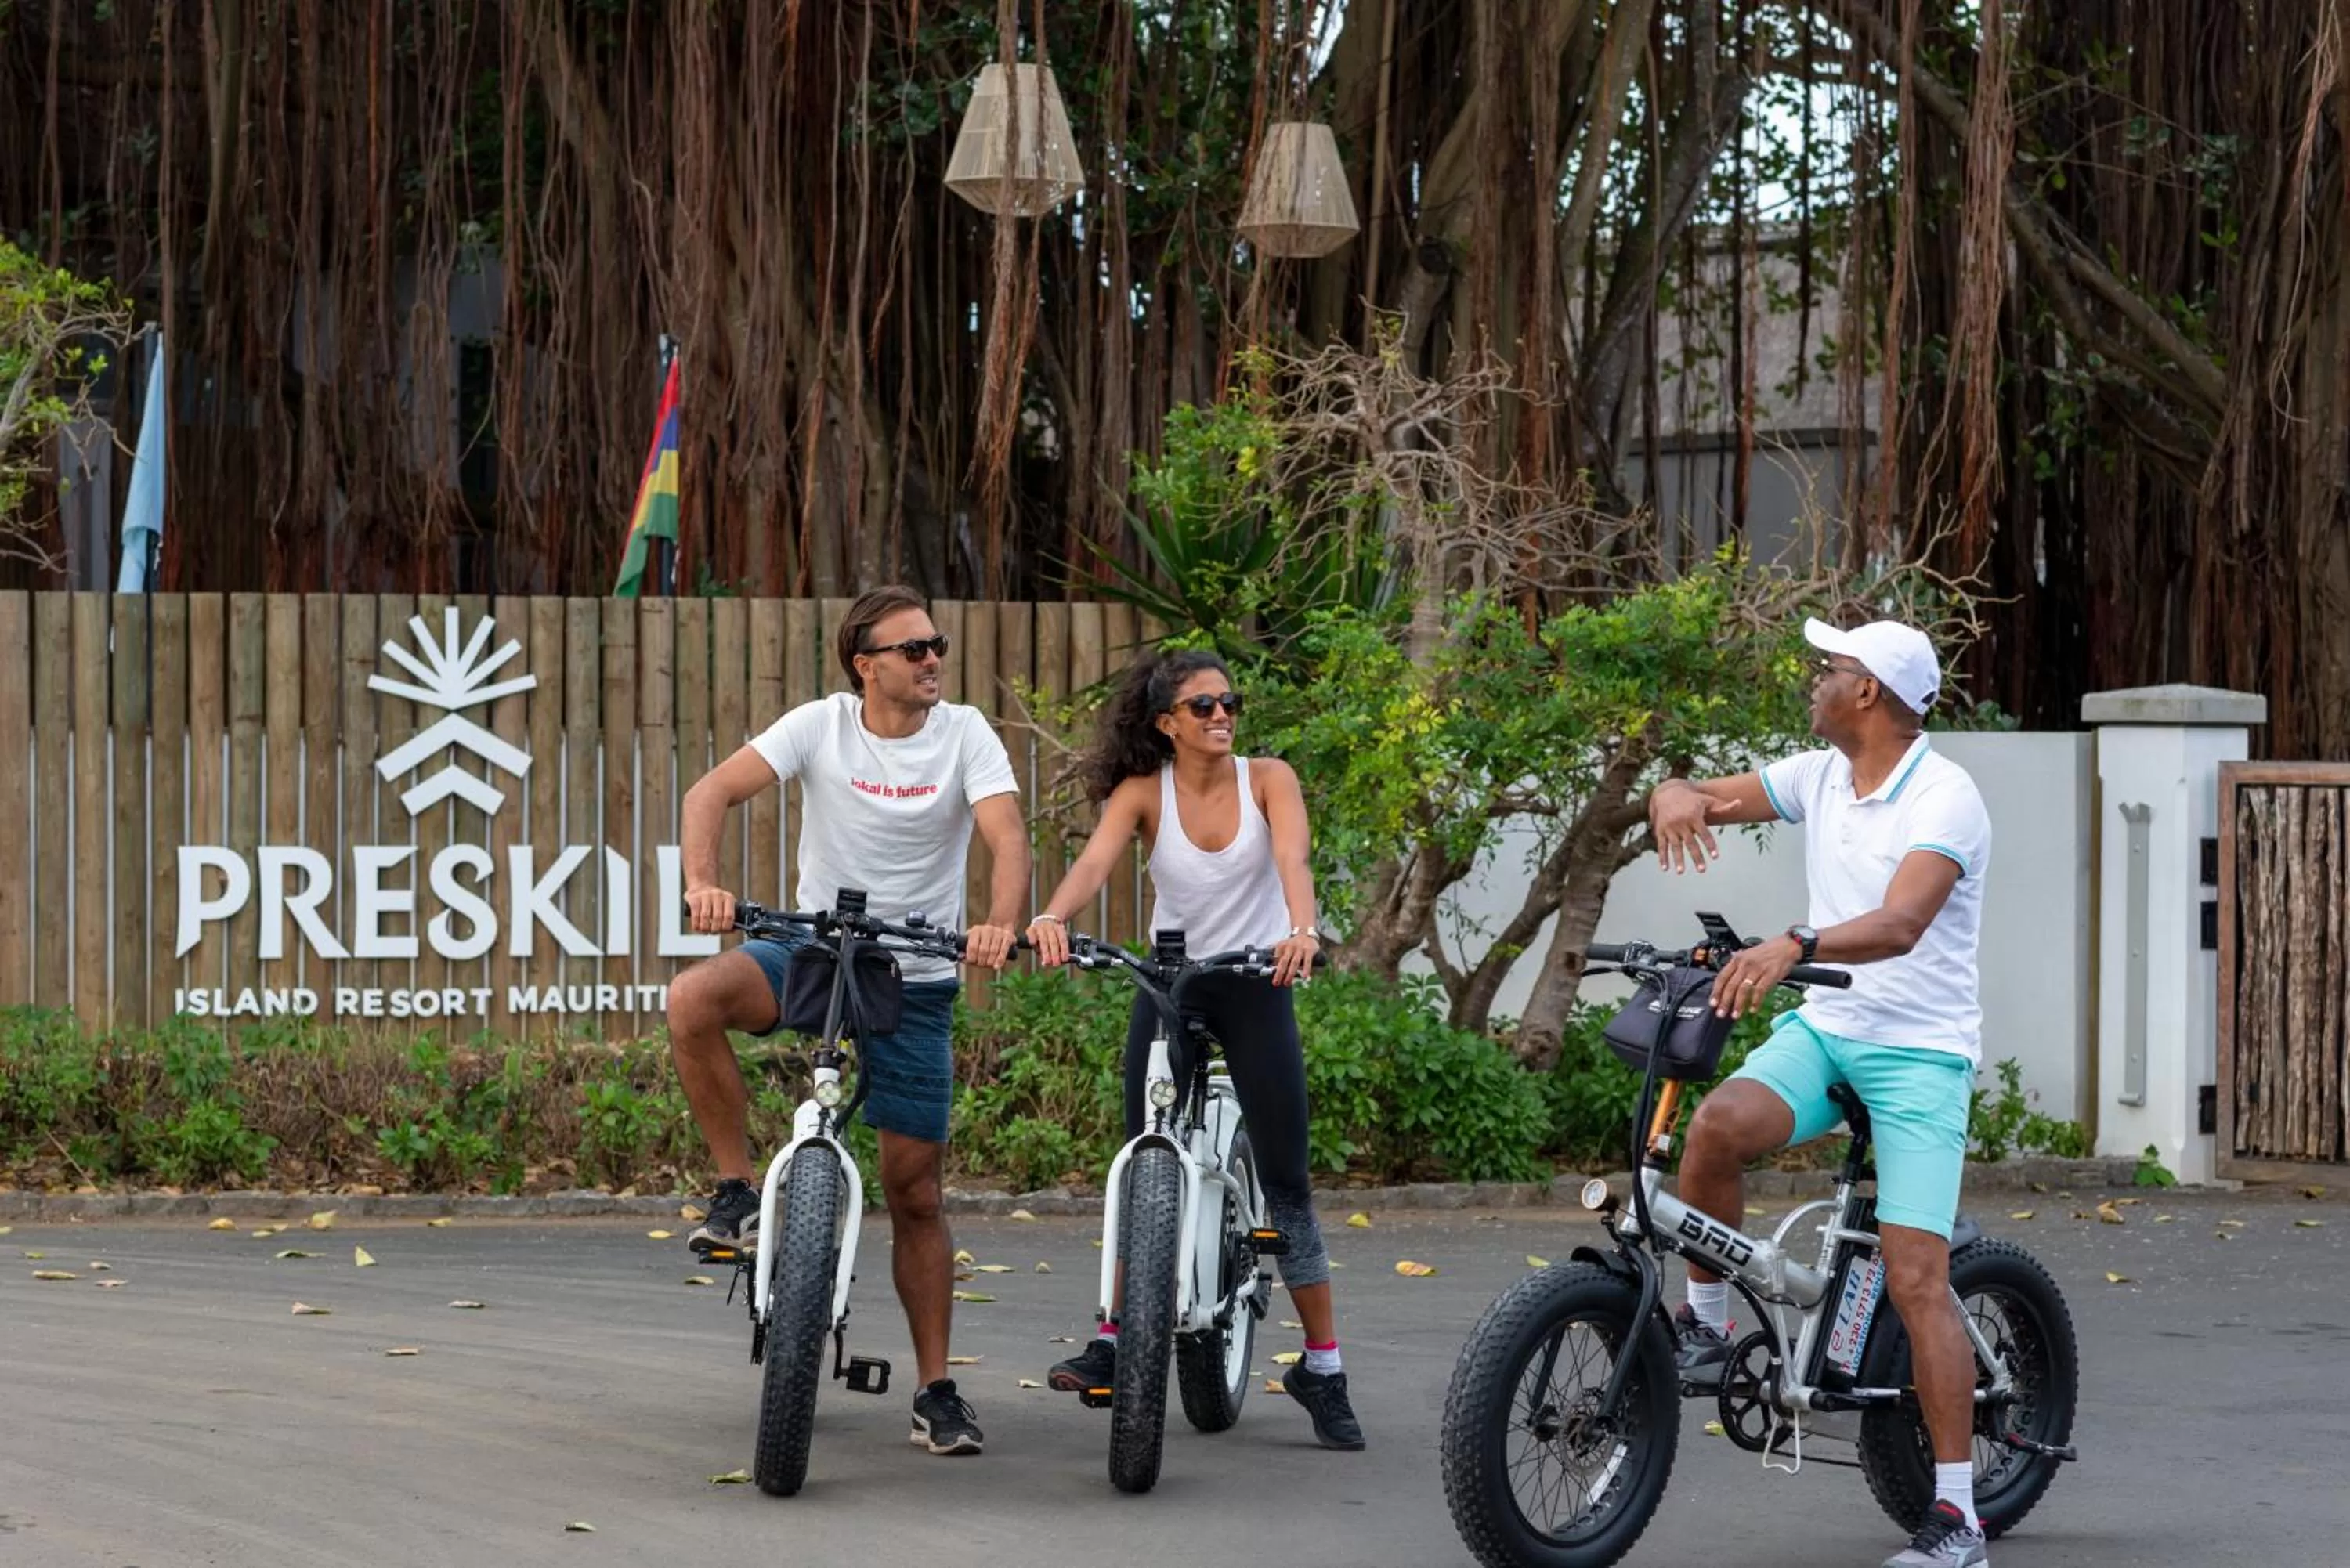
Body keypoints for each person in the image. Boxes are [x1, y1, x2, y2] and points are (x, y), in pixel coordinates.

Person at [1647, 616, 1994, 1568]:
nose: (1815, 679)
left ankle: (1958, 1517)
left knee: (1918, 1279)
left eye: (1829, 668)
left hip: (1919, 1051)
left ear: (1871, 693)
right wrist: (1672, 795)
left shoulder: (1946, 797)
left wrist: (1794, 943)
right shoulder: (1821, 774)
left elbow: (1900, 922)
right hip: (1831, 1031)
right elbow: (1706, 795)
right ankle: (1708, 1332)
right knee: (1714, 1129)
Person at [667, 583, 1029, 1460]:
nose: (933, 658)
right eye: (913, 649)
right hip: (817, 956)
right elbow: (709, 792)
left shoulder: (965, 733)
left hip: (918, 974)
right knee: (691, 1001)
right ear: (867, 665)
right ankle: (738, 1191)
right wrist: (702, 882)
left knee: (915, 1193)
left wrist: (1000, 921)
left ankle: (935, 1390)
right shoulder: (821, 724)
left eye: (936, 644)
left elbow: (1007, 835)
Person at [1022, 649, 1364, 1452]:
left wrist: (1302, 929)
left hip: (1251, 979)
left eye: (1229, 701)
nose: (1221, 715)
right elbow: (1095, 861)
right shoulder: (1144, 792)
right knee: (1141, 1159)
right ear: (1167, 723)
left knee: (1285, 1180)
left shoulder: (1268, 777)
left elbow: (1293, 860)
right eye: (1202, 706)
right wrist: (1053, 917)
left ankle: (1323, 1365)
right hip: (1170, 985)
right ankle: (1111, 1336)